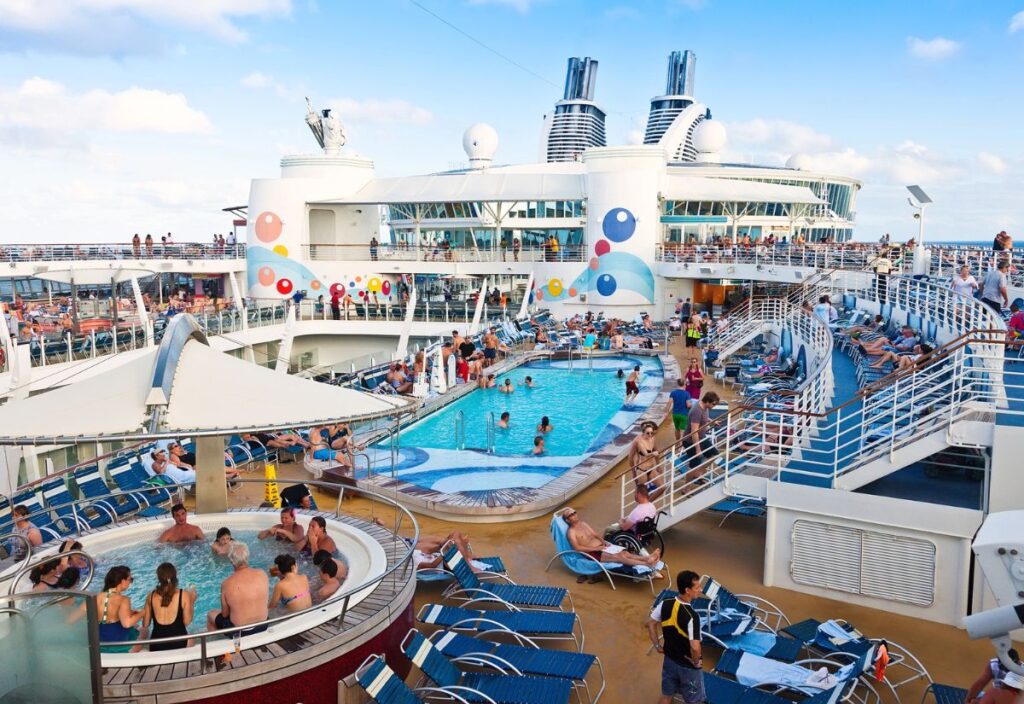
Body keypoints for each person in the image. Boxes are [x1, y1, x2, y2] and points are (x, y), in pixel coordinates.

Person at [649, 570, 705, 704]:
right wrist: (696, 662)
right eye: (697, 587)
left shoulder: (665, 603)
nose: (700, 590)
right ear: (687, 590)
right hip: (687, 666)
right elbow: (695, 648)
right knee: (694, 701)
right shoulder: (692, 616)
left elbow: (651, 624)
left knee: (667, 695)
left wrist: (657, 645)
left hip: (669, 660)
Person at [562, 507, 661, 576]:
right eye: (571, 514)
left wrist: (604, 541)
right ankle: (648, 564)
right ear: (567, 520)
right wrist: (596, 548)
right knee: (619, 557)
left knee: (625, 553)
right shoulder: (571, 532)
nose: (574, 515)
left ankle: (648, 558)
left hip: (602, 547)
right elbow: (577, 548)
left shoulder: (583, 524)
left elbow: (595, 534)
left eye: (574, 512)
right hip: (593, 553)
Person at [207, 542, 270, 634]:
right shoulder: (262, 574)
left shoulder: (227, 584)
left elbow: (225, 614)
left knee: (211, 614)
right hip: (263, 625)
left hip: (240, 632)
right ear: (247, 557)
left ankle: (217, 643)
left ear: (231, 561)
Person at [143, 562, 195, 651]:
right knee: (193, 639)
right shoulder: (184, 594)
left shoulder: (150, 596)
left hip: (156, 646)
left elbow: (145, 624)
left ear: (159, 578)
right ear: (175, 576)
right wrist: (192, 601)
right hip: (179, 643)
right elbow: (187, 622)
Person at [96, 566, 145, 653]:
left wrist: (130, 612)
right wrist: (143, 612)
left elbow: (72, 619)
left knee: (135, 627)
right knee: (143, 630)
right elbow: (127, 623)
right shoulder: (123, 599)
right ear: (122, 581)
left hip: (100, 645)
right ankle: (131, 654)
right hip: (119, 647)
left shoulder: (96, 597)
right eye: (130, 579)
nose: (130, 582)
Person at [685, 392, 721, 481]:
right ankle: (686, 489)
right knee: (693, 465)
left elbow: (703, 418)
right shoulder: (696, 411)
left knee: (714, 454)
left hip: (701, 438)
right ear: (708, 401)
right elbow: (694, 432)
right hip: (691, 441)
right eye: (713, 404)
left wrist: (711, 421)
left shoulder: (705, 407)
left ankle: (698, 473)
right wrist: (698, 449)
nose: (714, 406)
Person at [629, 421, 663, 499]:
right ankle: (641, 507)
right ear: (644, 432)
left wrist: (658, 465)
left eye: (652, 433)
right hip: (641, 469)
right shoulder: (637, 441)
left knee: (661, 488)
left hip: (651, 468)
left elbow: (656, 451)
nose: (651, 435)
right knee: (642, 493)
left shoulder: (652, 438)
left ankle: (648, 504)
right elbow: (630, 457)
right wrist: (633, 472)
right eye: (648, 433)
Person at [666, 378, 693, 443]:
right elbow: (688, 405)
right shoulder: (686, 393)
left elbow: (669, 403)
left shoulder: (673, 393)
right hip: (684, 414)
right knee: (683, 430)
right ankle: (681, 445)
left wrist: (666, 412)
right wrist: (692, 405)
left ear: (678, 384)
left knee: (677, 429)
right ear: (684, 385)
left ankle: (677, 442)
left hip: (675, 414)